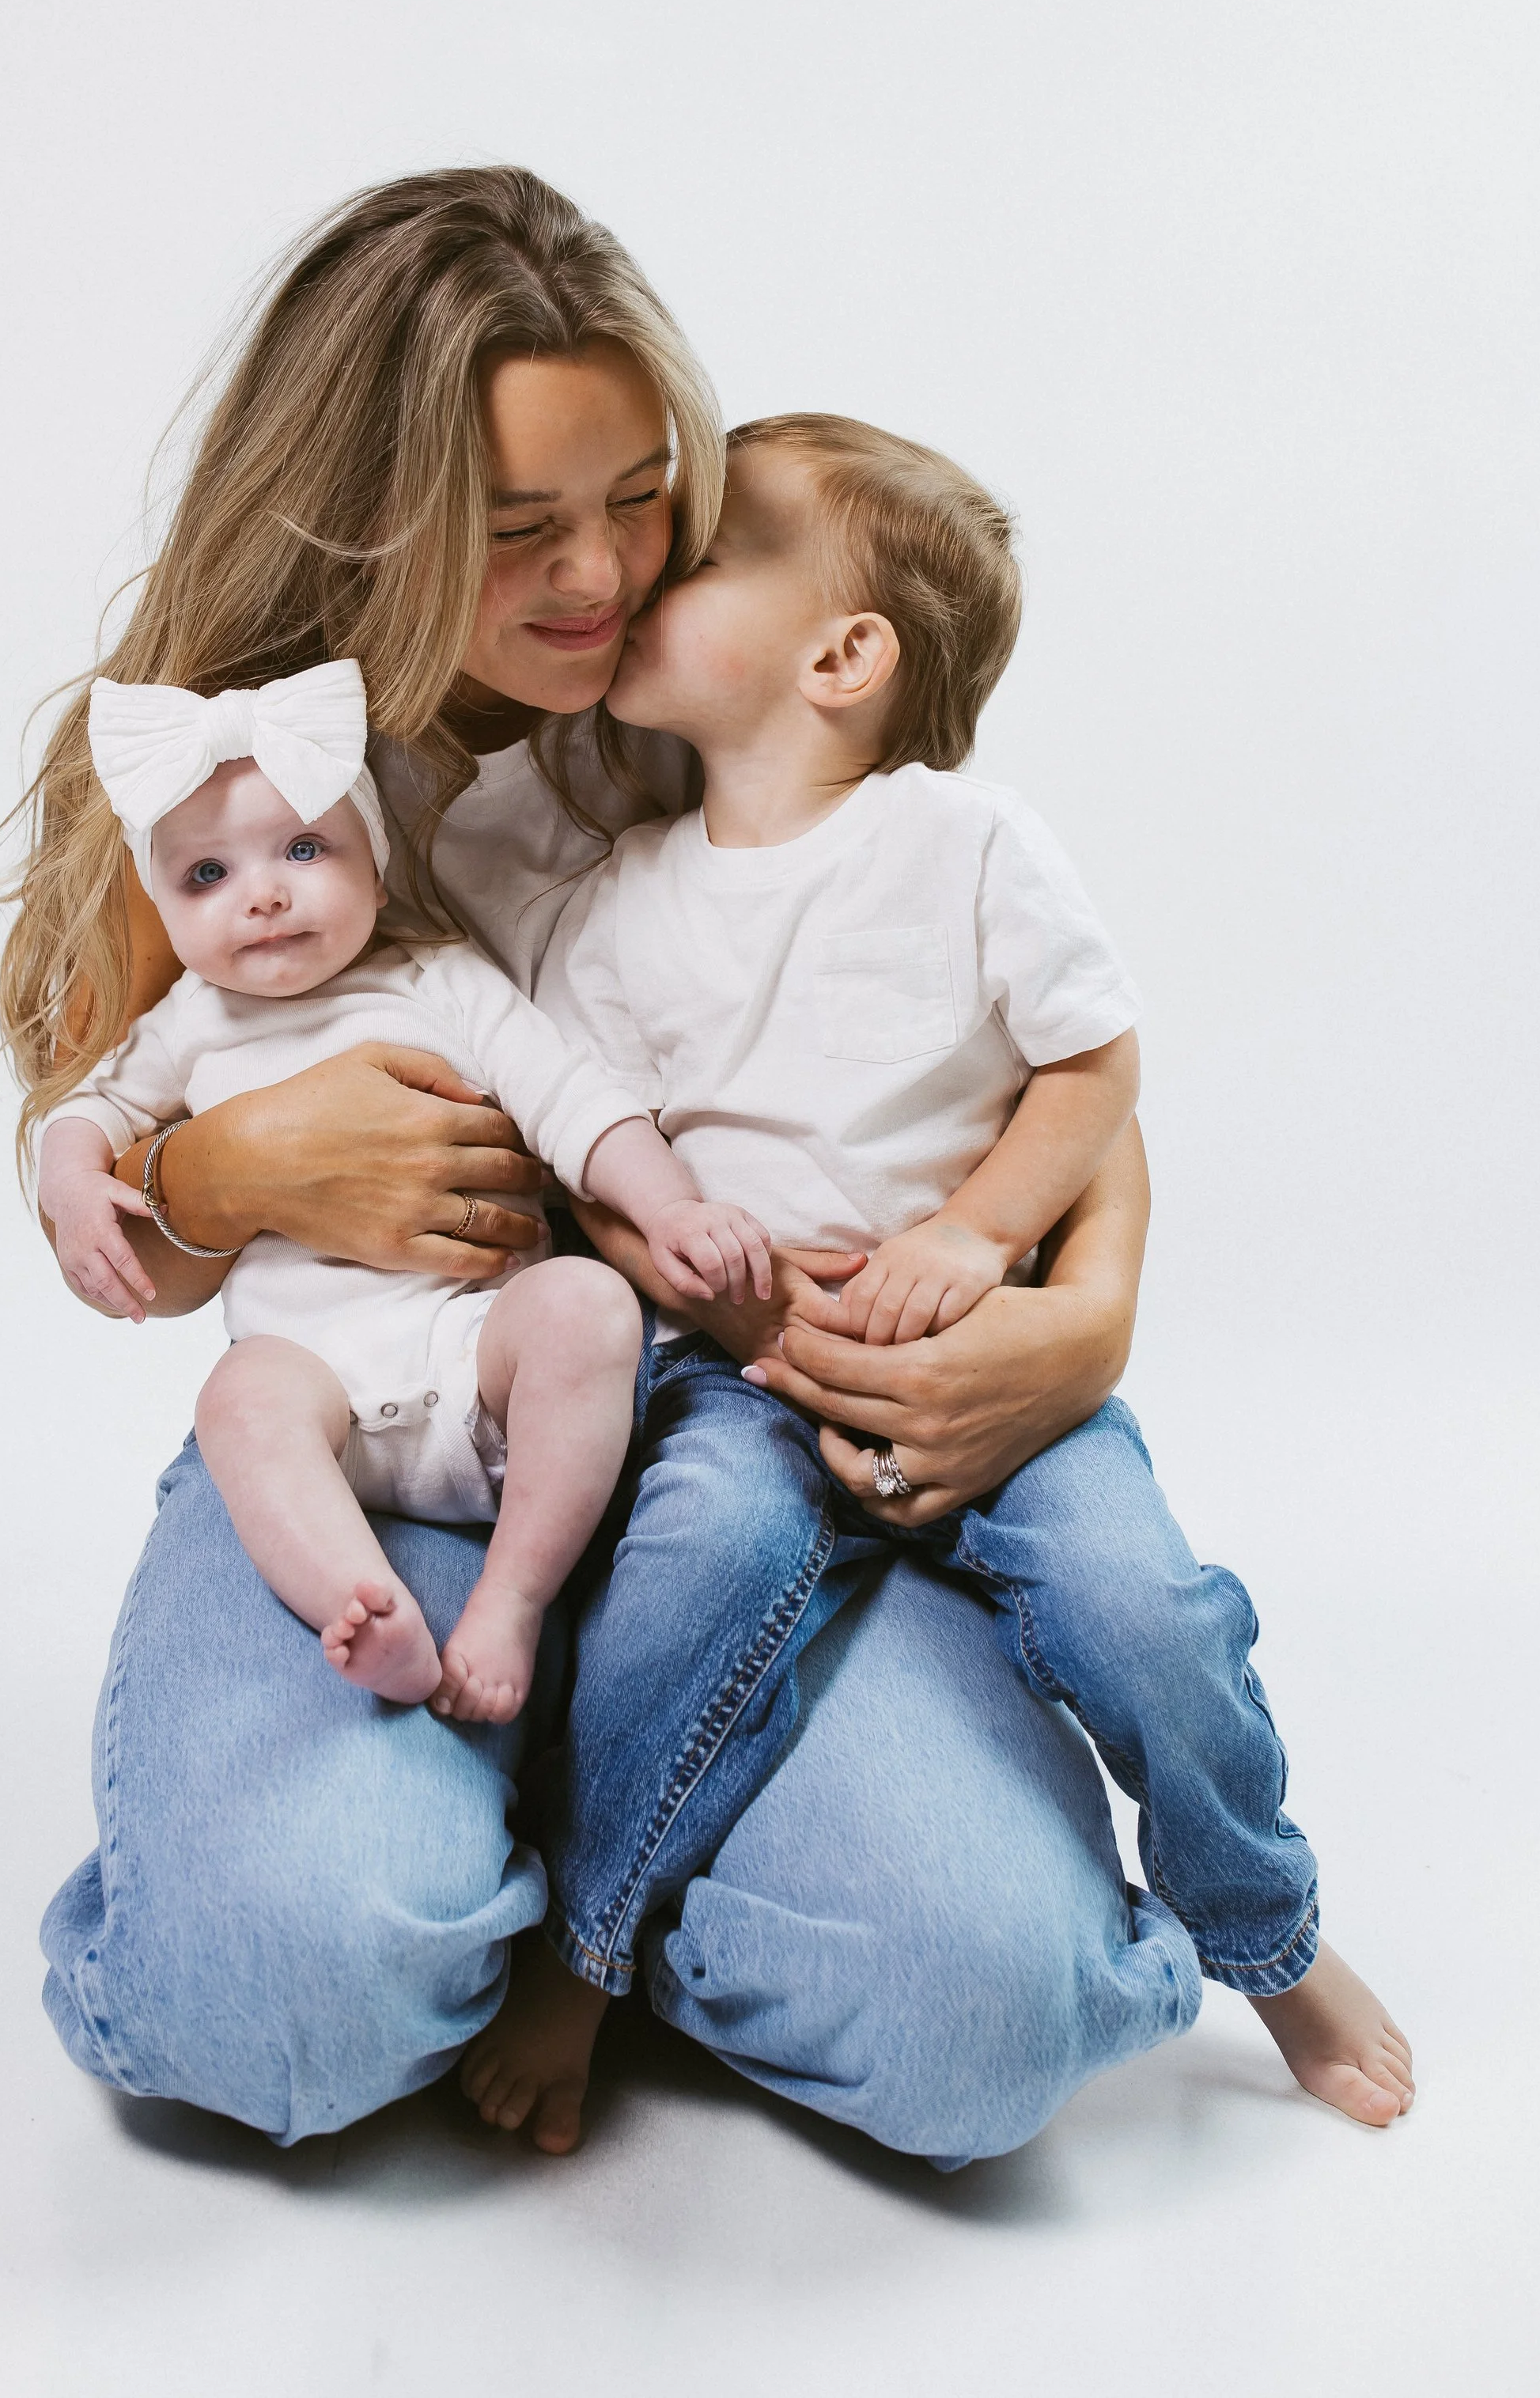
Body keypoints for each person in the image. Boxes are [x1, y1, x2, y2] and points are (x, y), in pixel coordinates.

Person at [3, 165, 1197, 2169]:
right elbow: (118, 1170)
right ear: (367, 517)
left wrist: (1076, 1326)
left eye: (638, 495)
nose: (595, 575)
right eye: (515, 528)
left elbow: (1044, 1053)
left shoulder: (704, 692)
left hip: (743, 1451)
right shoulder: (240, 769)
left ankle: (597, 1858)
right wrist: (234, 1169)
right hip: (391, 1432)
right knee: (281, 2006)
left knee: (988, 2021)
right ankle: (493, 1821)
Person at [458, 415, 1412, 2139]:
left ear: (842, 655)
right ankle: (585, 1948)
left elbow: (1092, 1067)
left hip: (983, 1366)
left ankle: (1263, 1935)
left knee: (1142, 1609)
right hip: (736, 1387)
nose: (650, 569)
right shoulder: (610, 903)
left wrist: (974, 1236)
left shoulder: (961, 845)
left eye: (712, 545)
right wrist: (690, 1276)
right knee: (700, 1565)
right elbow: (600, 1163)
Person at [36, 656, 769, 1719]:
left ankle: (512, 1599)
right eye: (208, 876)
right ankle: (362, 1604)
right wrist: (71, 1183)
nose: (266, 891)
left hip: (475, 1360)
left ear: (377, 867)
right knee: (238, 1402)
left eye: (304, 848)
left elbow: (576, 1102)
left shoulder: (442, 982)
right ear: (165, 904)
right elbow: (89, 1109)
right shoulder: (192, 1020)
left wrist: (670, 1207)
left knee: (588, 1306)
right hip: (316, 1390)